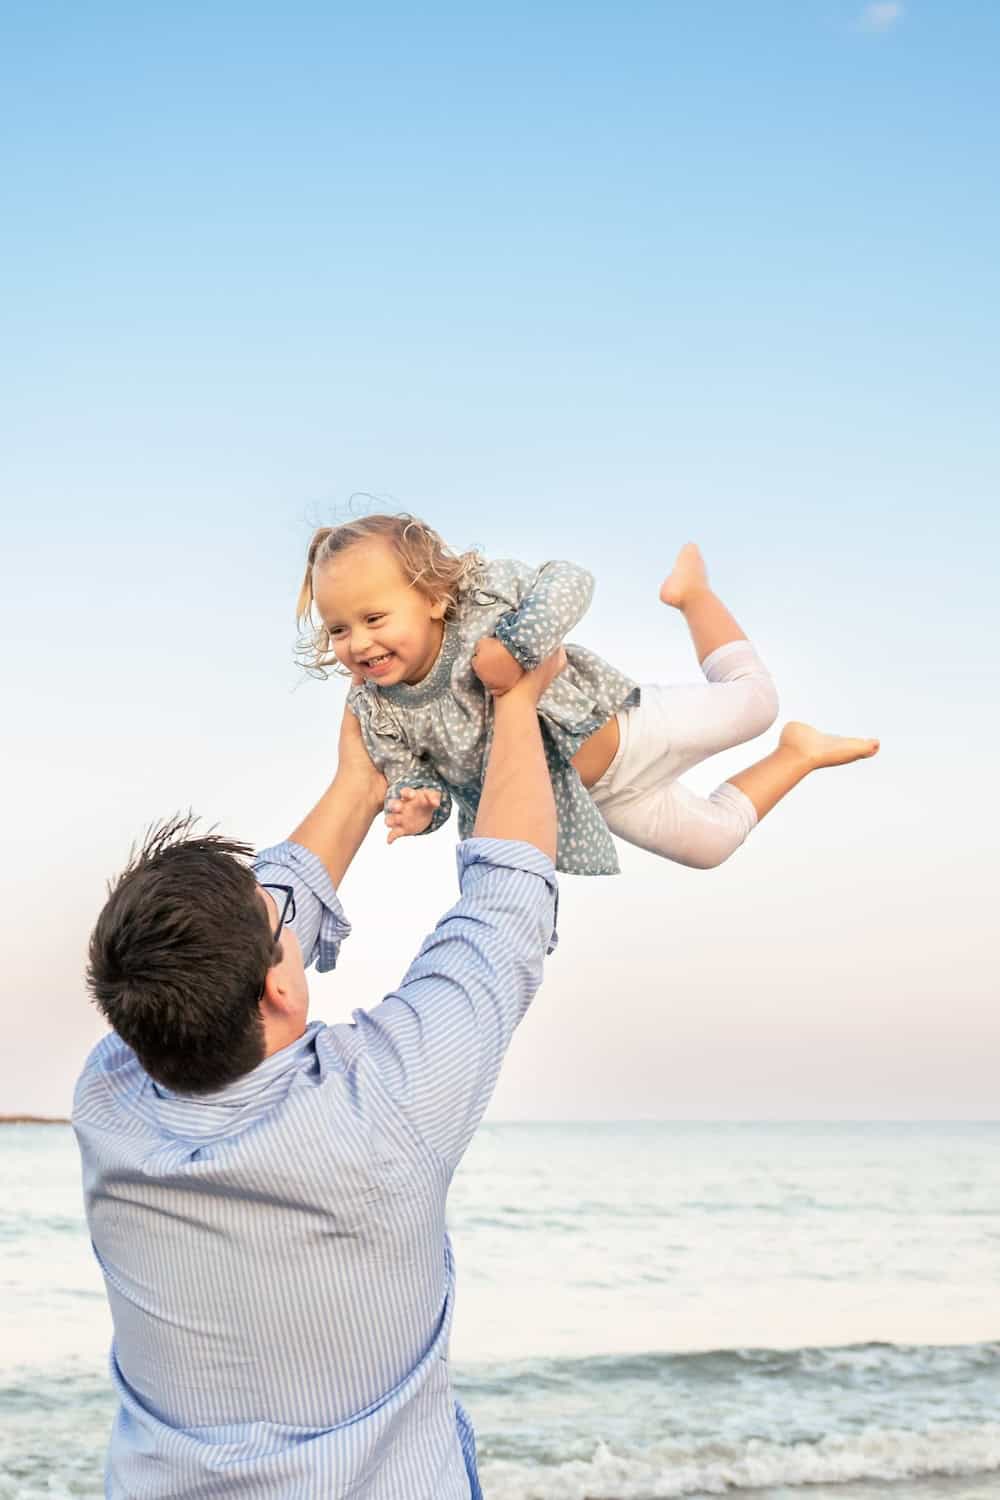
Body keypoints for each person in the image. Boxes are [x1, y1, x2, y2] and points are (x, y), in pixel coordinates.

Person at [73, 647, 564, 1500]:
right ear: (279, 986)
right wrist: (515, 702)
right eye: (281, 925)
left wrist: (357, 783)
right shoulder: (383, 1106)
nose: (287, 910)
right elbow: (504, 910)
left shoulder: (109, 1092)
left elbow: (257, 919)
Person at [297, 514, 879, 876]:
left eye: (374, 617)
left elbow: (569, 579)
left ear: (430, 596)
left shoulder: (480, 605)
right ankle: (797, 753)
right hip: (594, 797)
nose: (359, 643)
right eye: (340, 629)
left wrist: (519, 644)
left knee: (757, 703)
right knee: (713, 845)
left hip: (628, 730)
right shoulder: (377, 709)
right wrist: (420, 805)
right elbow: (410, 778)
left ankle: (693, 595)